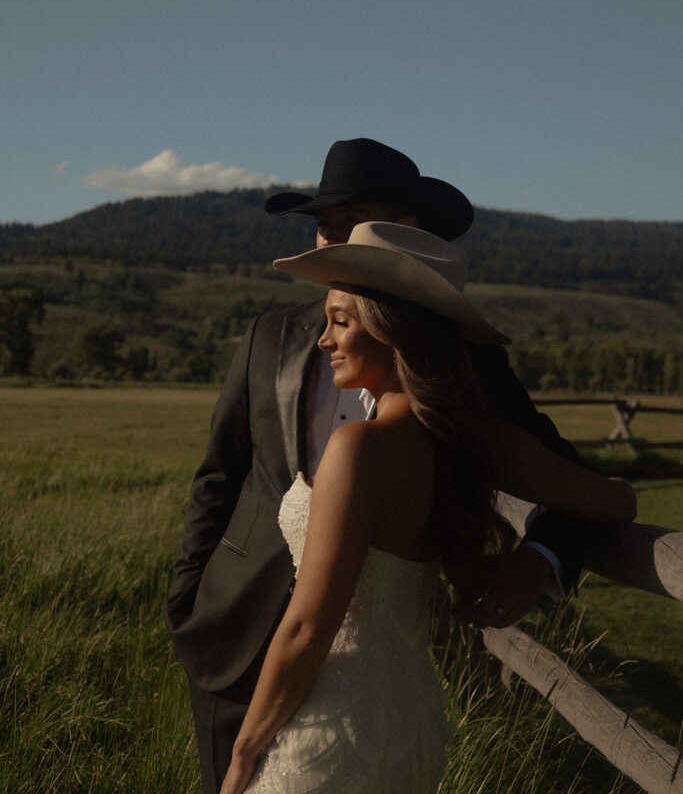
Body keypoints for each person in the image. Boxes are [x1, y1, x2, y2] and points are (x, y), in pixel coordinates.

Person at [165, 138, 587, 794]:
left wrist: (537, 563)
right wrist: (189, 596)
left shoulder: (465, 364)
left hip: (364, 687)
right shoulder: (270, 336)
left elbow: (575, 480)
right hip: (237, 636)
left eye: (350, 222)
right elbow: (220, 476)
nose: (331, 238)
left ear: (403, 230)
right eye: (322, 224)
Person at [218, 222, 636, 794]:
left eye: (341, 321)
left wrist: (244, 750)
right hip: (413, 722)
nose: (323, 340)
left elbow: (308, 627)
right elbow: (617, 500)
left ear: (393, 329)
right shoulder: (477, 441)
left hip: (332, 727)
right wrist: (537, 556)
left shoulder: (358, 449)